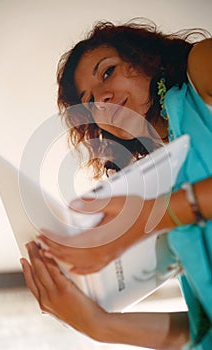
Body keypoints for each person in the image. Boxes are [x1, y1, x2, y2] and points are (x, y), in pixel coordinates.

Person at [20, 19, 212, 349]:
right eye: (89, 101)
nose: (103, 98)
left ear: (147, 58)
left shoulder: (201, 66)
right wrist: (98, 326)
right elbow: (202, 327)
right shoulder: (155, 187)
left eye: (107, 72)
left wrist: (154, 217)